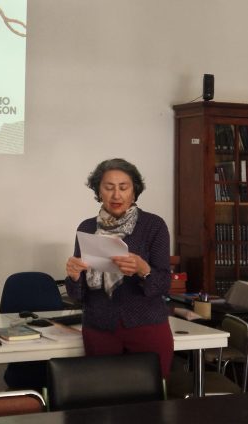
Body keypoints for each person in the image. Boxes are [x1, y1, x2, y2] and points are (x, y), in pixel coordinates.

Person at [65, 158, 173, 378]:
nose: (116, 195)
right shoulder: (87, 227)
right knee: (103, 395)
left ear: (134, 191)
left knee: (150, 396)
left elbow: (164, 285)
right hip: (99, 327)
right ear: (99, 191)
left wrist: (144, 269)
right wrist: (74, 277)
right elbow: (78, 295)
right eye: (109, 187)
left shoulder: (154, 226)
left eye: (123, 187)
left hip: (147, 326)